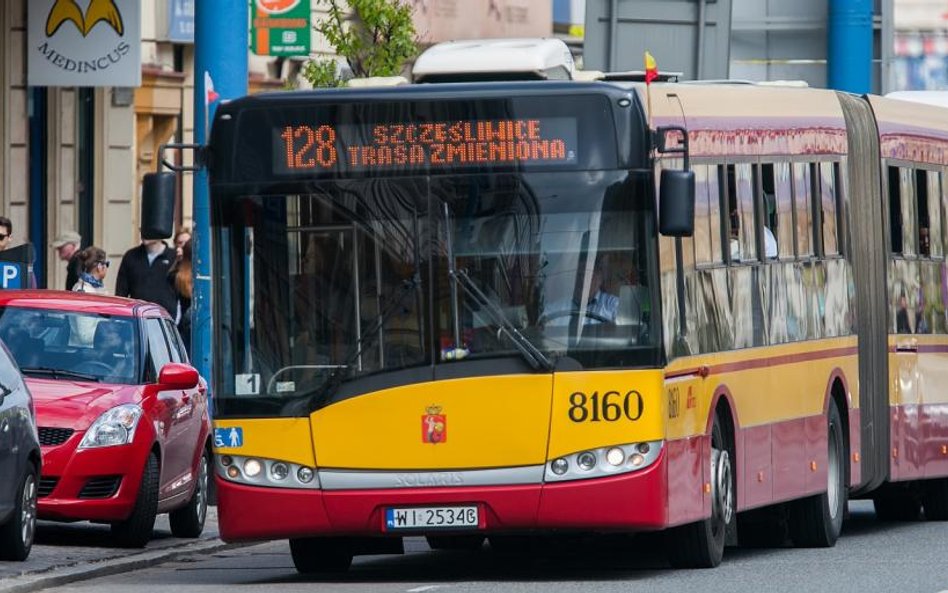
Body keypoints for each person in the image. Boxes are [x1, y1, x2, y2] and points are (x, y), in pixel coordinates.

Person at [114, 236, 178, 315]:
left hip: (165, 318)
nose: (145, 233)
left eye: (149, 229)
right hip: (136, 317)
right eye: (142, 229)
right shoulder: (130, 256)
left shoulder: (174, 257)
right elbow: (121, 291)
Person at [169, 239, 193, 355]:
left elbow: (169, 276)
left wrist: (178, 261)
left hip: (183, 326)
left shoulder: (179, 276)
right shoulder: (200, 276)